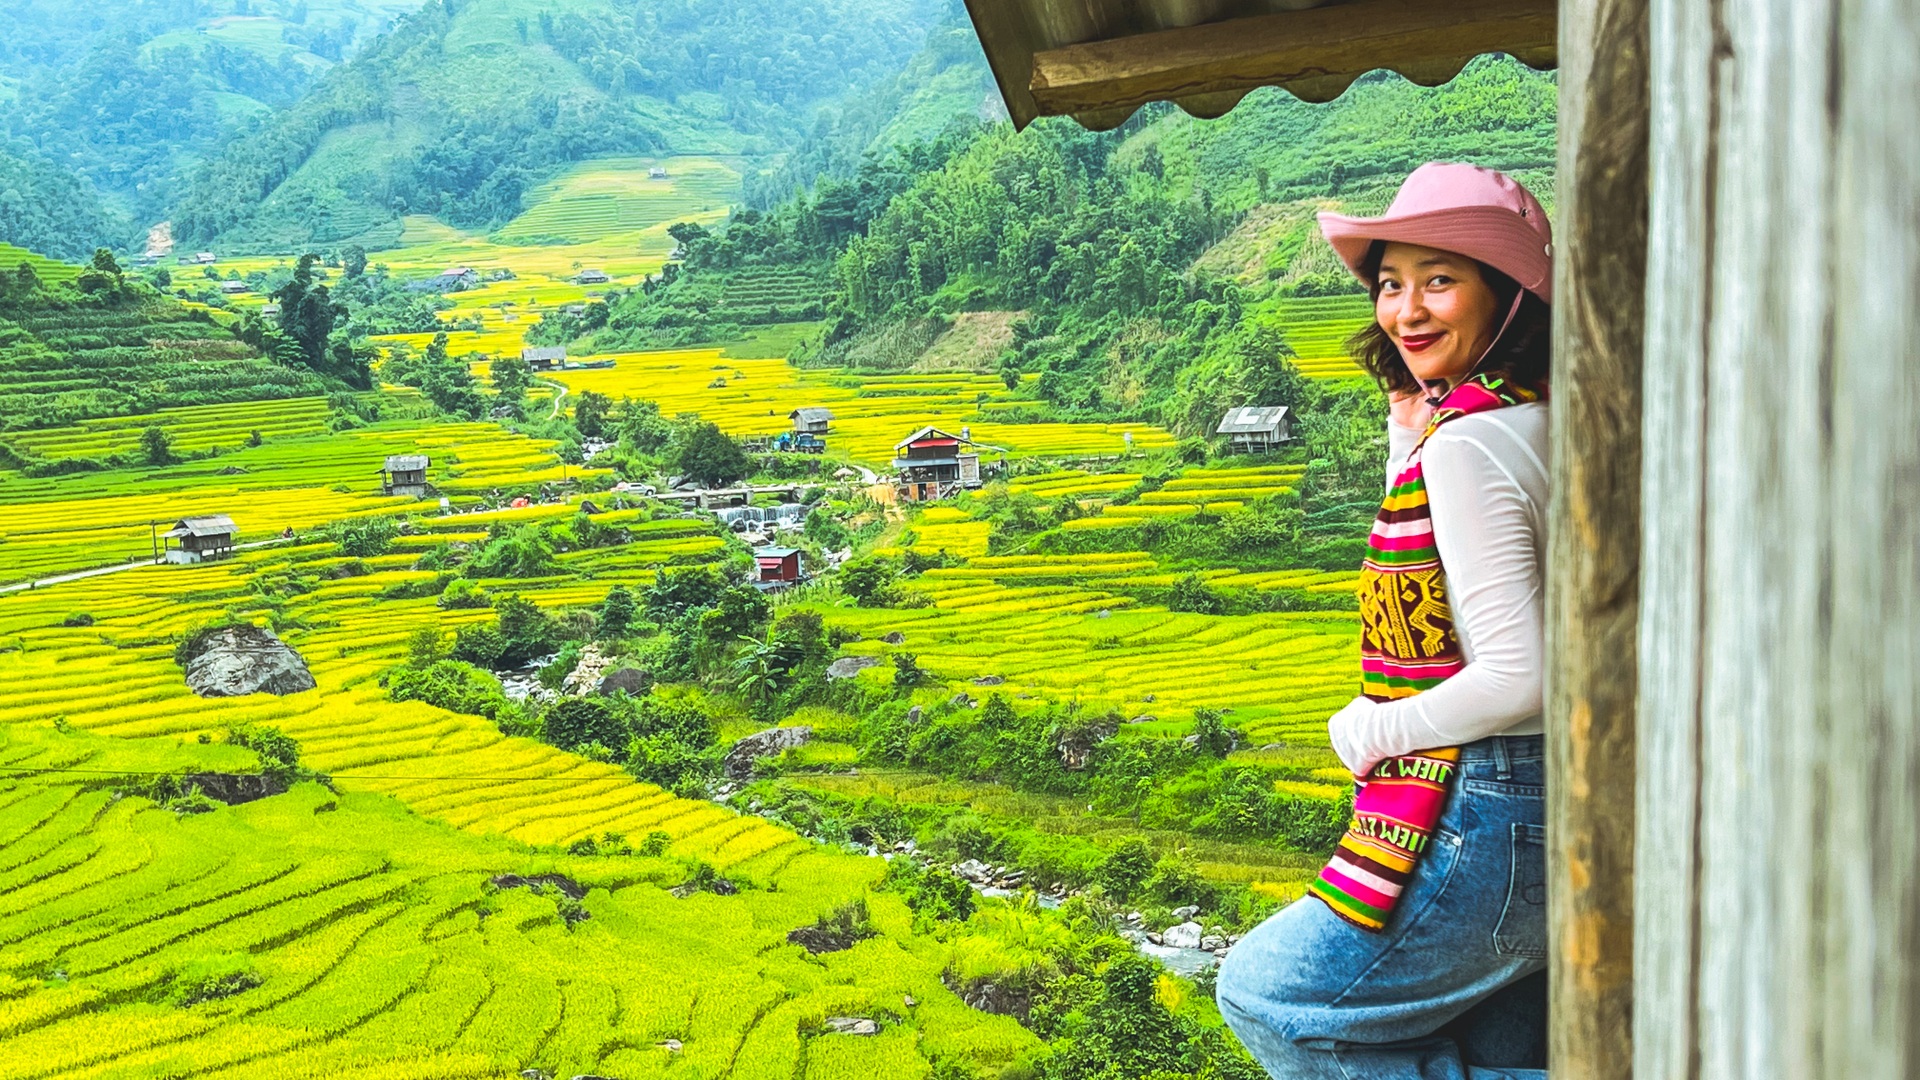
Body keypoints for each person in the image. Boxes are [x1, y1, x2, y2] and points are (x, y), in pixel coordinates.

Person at [1216, 162, 1555, 1080]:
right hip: (1576, 797)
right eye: (1392, 283)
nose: (1406, 310)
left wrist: (1371, 727)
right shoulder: (1546, 418)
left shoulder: (1473, 443)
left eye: (1441, 279)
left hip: (1493, 805)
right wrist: (1413, 442)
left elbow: (1523, 671)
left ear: (1511, 296)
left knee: (1268, 998)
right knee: (1495, 1044)